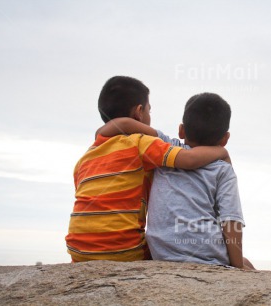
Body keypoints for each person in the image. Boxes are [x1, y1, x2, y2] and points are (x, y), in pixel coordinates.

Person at [65, 77, 229, 262]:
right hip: (124, 251)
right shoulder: (140, 143)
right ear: (139, 112)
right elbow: (189, 159)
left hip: (77, 252)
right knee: (173, 252)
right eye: (149, 110)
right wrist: (220, 151)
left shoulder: (84, 160)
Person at [98, 93, 254, 269]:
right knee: (247, 265)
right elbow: (231, 222)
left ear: (181, 130)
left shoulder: (165, 147)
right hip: (205, 253)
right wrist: (238, 268)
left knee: (246, 264)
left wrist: (99, 133)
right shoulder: (223, 170)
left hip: (161, 251)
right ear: (225, 139)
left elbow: (120, 124)